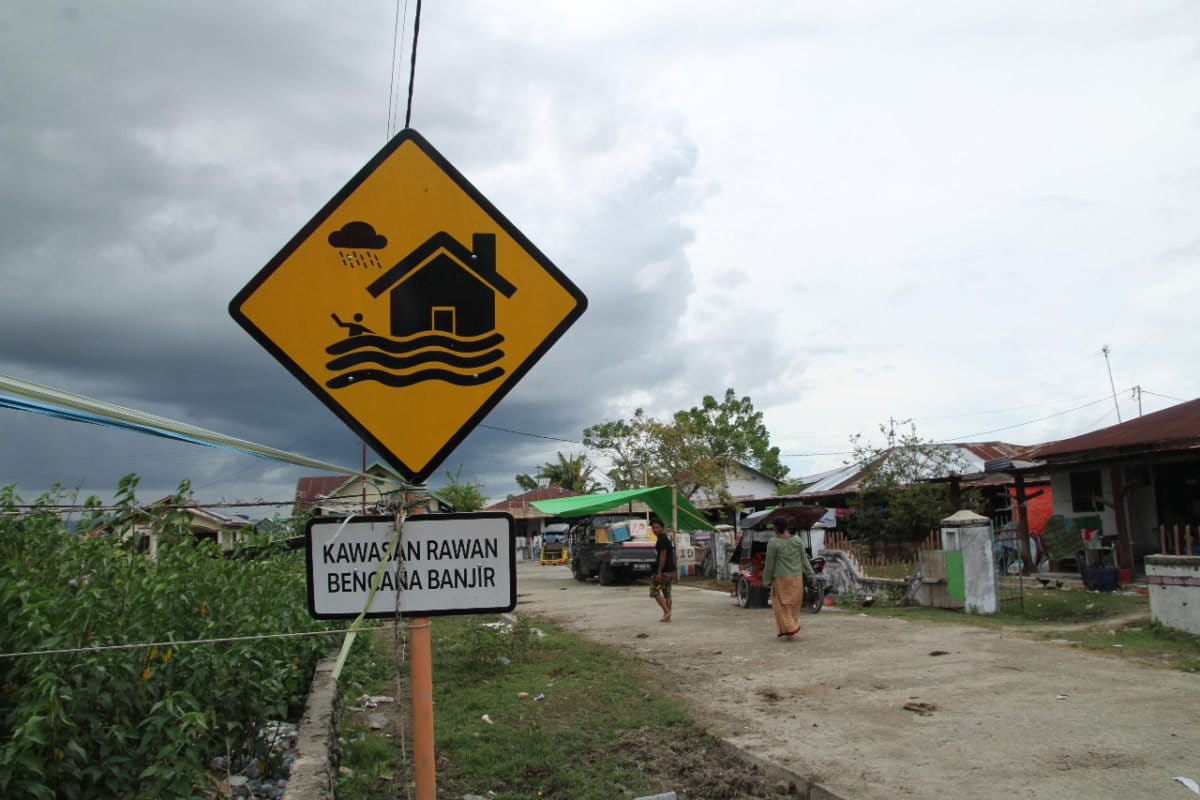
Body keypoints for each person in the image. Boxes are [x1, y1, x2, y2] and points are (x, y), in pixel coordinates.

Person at [762, 518, 815, 639]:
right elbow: (804, 560)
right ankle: (791, 629)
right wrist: (811, 576)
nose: (772, 529)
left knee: (781, 605)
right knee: (794, 605)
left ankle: (790, 628)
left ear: (776, 528)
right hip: (797, 578)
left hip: (781, 579)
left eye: (773, 526)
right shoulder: (797, 540)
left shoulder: (773, 543)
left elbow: (769, 565)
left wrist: (766, 580)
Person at [649, 518, 676, 622]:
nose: (655, 530)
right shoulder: (666, 537)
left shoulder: (661, 538)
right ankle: (667, 616)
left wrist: (659, 572)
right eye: (653, 528)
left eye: (657, 527)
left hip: (664, 573)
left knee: (654, 591)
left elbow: (662, 557)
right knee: (666, 592)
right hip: (670, 572)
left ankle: (667, 611)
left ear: (662, 528)